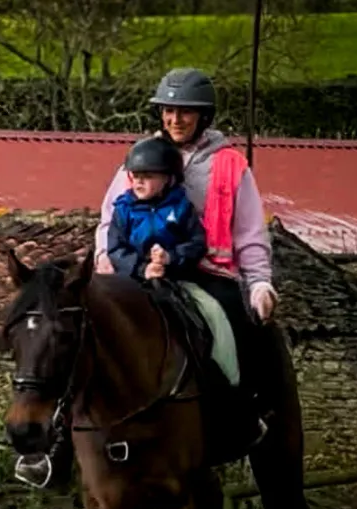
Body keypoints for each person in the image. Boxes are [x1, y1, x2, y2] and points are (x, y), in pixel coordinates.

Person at [95, 67, 275, 457]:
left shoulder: (229, 164)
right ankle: (73, 430)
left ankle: (239, 412)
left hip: (205, 272)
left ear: (203, 116)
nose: (175, 120)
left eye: (185, 112)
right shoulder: (139, 157)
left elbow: (249, 231)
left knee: (228, 325)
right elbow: (109, 220)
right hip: (136, 272)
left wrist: (260, 281)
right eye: (168, 111)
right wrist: (107, 262)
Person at [106, 135, 207, 283]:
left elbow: (197, 243)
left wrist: (170, 257)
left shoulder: (181, 207)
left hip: (176, 278)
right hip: (133, 279)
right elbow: (116, 249)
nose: (139, 181)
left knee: (210, 306)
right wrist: (142, 269)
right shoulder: (123, 209)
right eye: (135, 175)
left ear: (167, 178)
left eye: (148, 176)